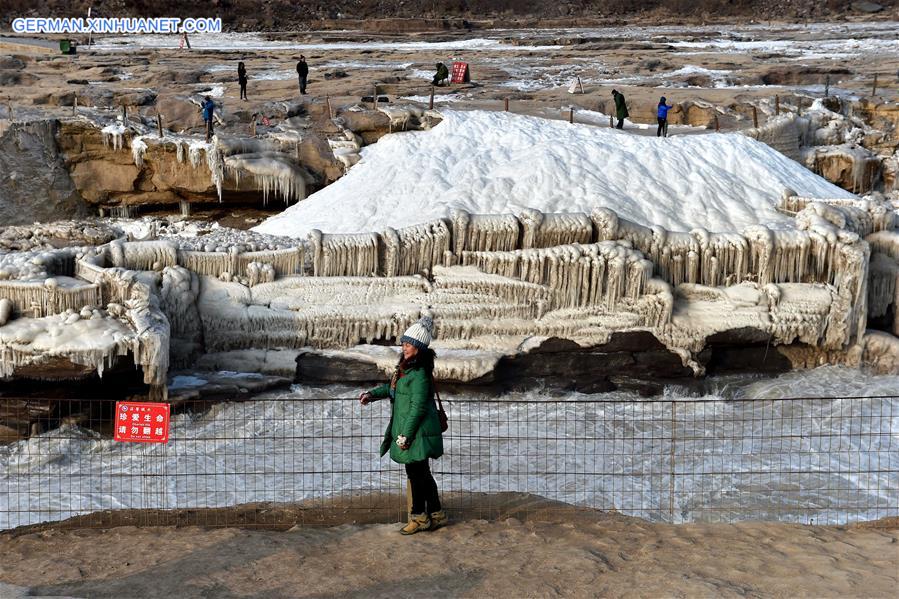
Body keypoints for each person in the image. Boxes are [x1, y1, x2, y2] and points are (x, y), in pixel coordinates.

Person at [359, 316, 446, 535]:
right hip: (414, 431)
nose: (404, 347)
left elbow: (417, 408)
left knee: (416, 475)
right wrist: (372, 395)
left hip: (417, 432)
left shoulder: (419, 375)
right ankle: (436, 513)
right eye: (404, 343)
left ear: (418, 347)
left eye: (408, 344)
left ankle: (419, 518)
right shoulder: (405, 369)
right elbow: (392, 388)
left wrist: (405, 436)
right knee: (422, 474)